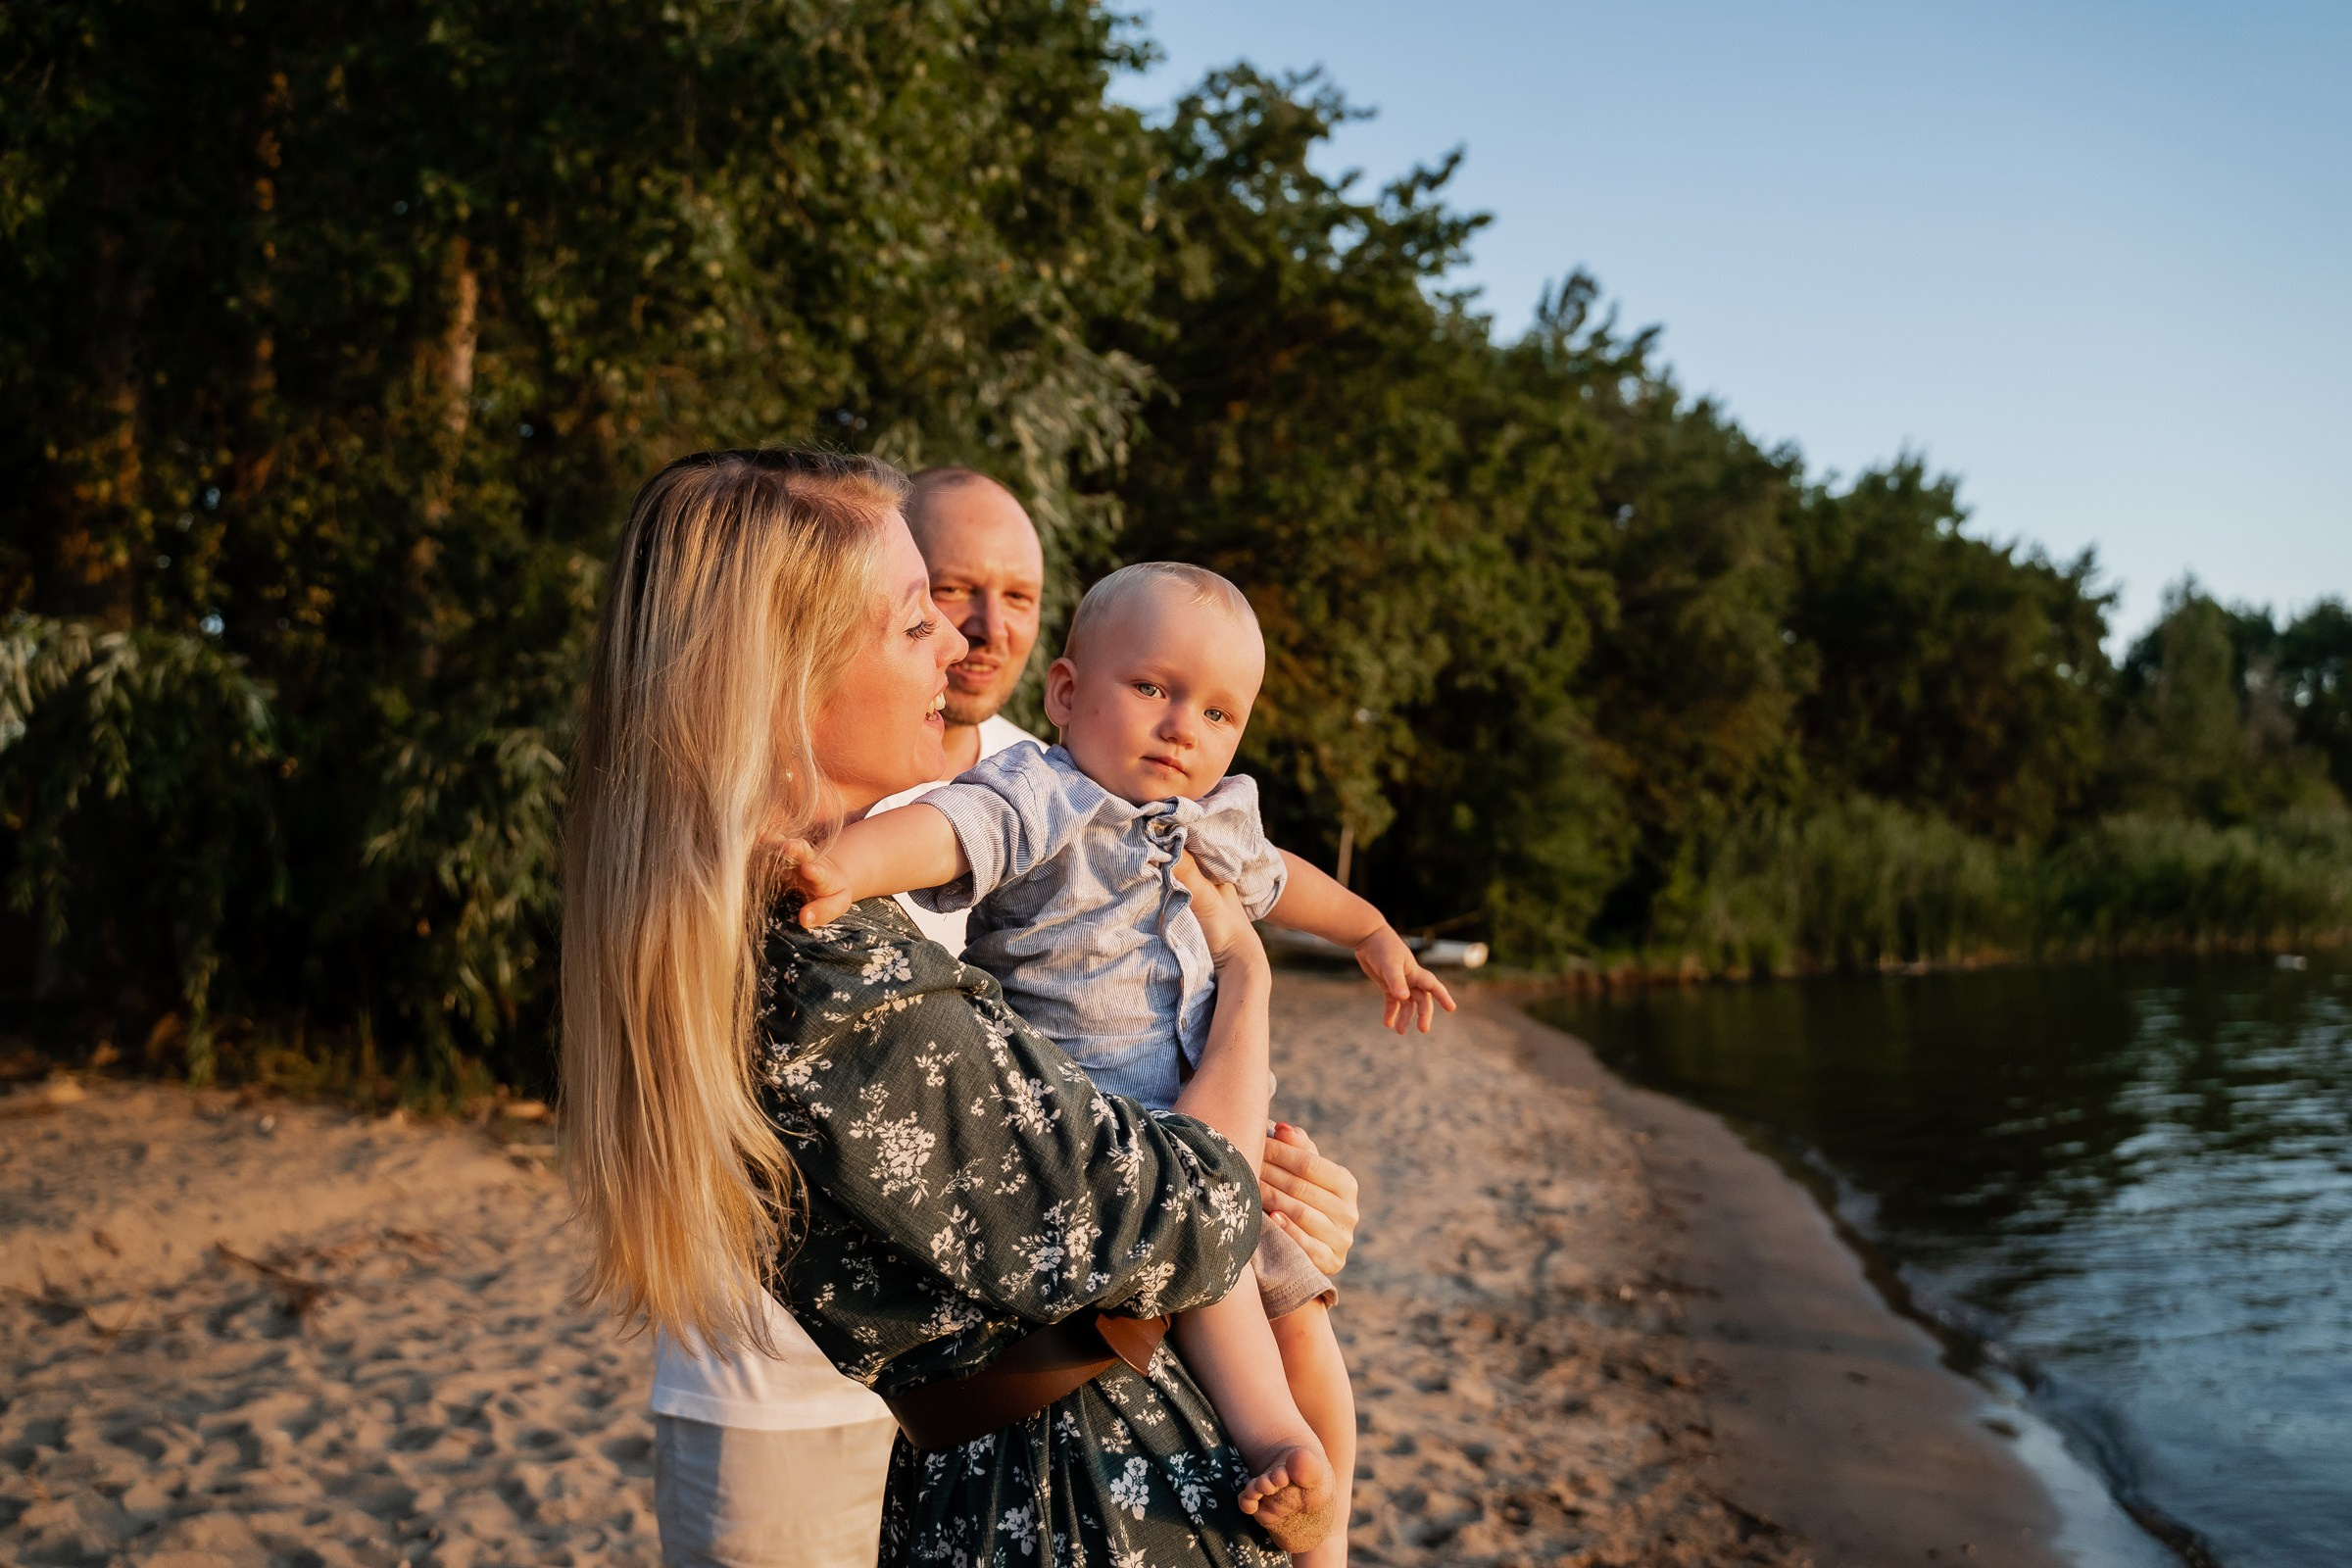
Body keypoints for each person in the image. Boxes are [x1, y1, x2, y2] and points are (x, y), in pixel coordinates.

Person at [570, 448, 1358, 1568]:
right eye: (913, 621)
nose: (960, 638)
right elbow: (1182, 1215)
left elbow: (1140, 1169)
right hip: (1070, 1508)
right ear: (780, 671)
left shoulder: (822, 920)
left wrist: (1271, 1186)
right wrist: (1249, 982)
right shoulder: (818, 966)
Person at [783, 562, 1454, 1564]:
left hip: (1204, 1124)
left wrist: (1371, 933)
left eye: (1221, 713)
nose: (1185, 727)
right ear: (1065, 693)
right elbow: (943, 833)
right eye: (1153, 689)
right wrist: (844, 867)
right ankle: (1278, 1442)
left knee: (1302, 1309)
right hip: (1116, 1126)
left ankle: (1323, 1515)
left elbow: (1284, 879)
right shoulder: (1041, 796)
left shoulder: (1209, 823)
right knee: (1221, 1289)